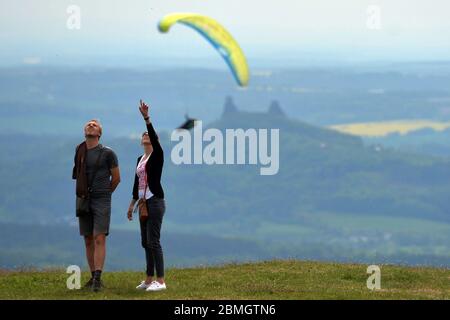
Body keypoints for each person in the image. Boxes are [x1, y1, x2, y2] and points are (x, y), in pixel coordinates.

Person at [72, 119, 121, 292]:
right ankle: (92, 276)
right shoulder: (79, 150)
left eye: (94, 124)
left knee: (99, 237)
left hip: (101, 199)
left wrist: (105, 193)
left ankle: (98, 278)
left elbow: (116, 178)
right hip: (84, 198)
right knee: (88, 239)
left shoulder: (108, 153)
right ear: (84, 130)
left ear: (99, 133)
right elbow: (77, 175)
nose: (91, 125)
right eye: (88, 124)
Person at [127, 100, 167, 292]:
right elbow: (137, 183)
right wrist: (132, 203)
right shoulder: (139, 159)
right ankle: (149, 279)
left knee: (154, 241)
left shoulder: (157, 155)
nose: (145, 136)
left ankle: (161, 281)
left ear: (153, 139)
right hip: (143, 203)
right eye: (143, 135)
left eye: (148, 135)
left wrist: (146, 118)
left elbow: (151, 134)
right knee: (145, 242)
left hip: (155, 202)